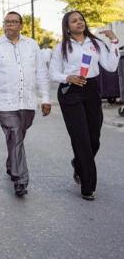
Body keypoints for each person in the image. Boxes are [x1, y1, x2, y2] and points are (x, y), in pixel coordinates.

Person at [0, 11, 51, 197]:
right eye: (6, 21)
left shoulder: (32, 45)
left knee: (18, 136)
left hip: (27, 102)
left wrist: (45, 98)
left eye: (14, 22)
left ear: (21, 26)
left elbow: (41, 72)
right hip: (4, 102)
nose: (9, 24)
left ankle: (12, 164)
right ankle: (20, 180)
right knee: (15, 134)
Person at [49, 11, 119, 201]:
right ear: (67, 26)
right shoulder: (61, 47)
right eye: (74, 20)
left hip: (91, 90)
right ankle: (88, 187)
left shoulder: (96, 43)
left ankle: (78, 164)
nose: (79, 22)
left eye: (81, 19)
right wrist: (67, 77)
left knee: (94, 138)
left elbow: (111, 66)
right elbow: (53, 72)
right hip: (70, 91)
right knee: (81, 138)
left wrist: (114, 42)